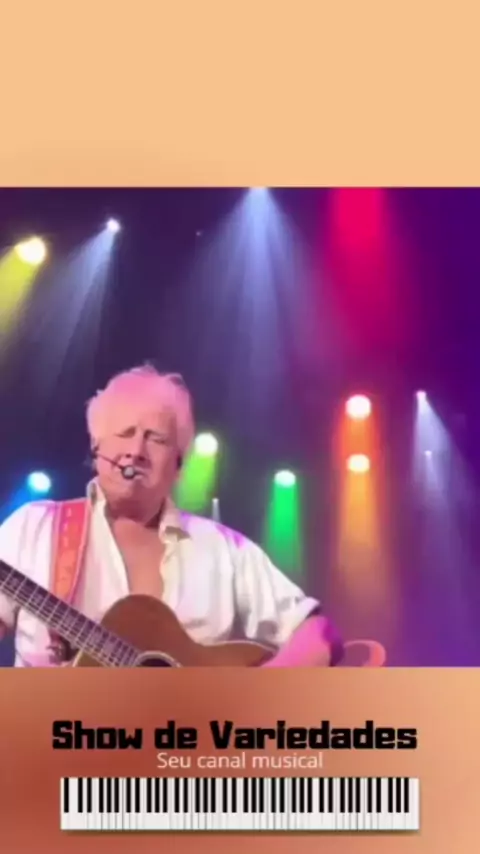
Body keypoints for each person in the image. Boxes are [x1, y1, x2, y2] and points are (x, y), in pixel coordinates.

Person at [0, 365, 343, 668]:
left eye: (156, 439)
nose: (136, 451)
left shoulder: (224, 551)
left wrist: (256, 699)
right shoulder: (34, 528)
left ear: (179, 465)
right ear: (96, 448)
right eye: (125, 433)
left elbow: (317, 634)